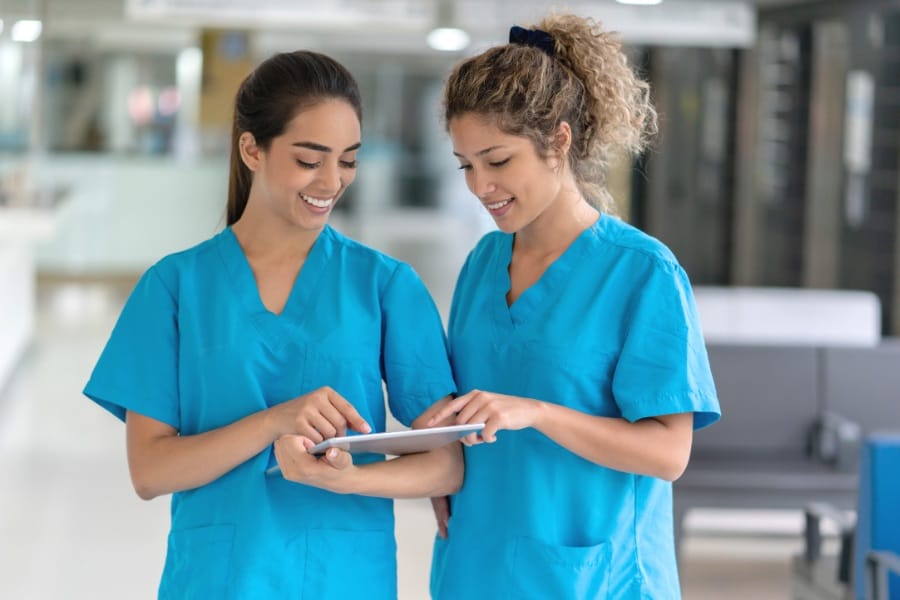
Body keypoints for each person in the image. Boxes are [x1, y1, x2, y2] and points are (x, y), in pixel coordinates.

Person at [83, 50, 461, 599]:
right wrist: (273, 422)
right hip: (219, 578)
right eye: (310, 159)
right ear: (251, 148)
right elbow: (150, 471)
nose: (332, 181)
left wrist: (348, 478)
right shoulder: (175, 287)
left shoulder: (385, 286)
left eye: (349, 160)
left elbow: (445, 463)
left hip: (344, 576)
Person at [425, 14, 721, 600]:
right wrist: (439, 445)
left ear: (559, 141)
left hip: (592, 576)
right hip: (478, 561)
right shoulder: (483, 262)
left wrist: (538, 412)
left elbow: (668, 452)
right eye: (466, 165)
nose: (479, 186)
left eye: (498, 160)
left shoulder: (640, 272)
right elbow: (476, 405)